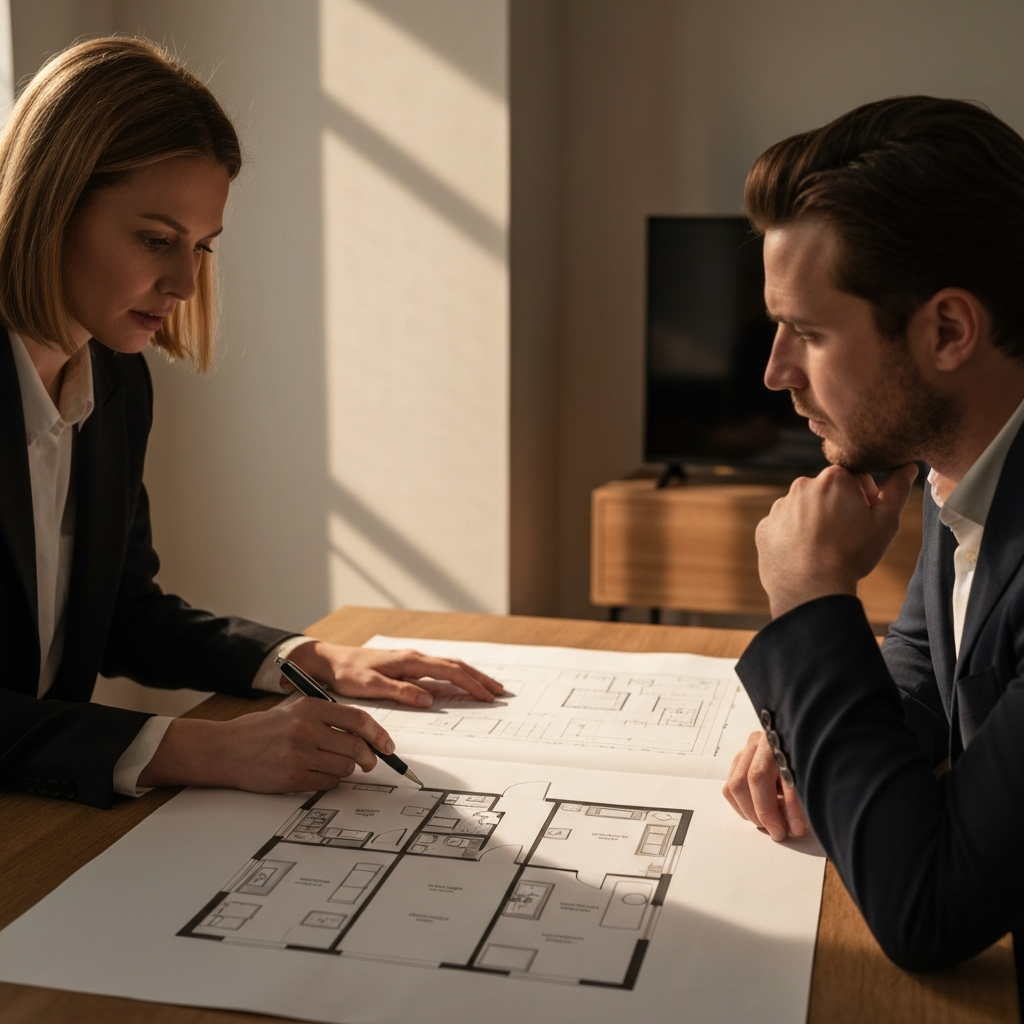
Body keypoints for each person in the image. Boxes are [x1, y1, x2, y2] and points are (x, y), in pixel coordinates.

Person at [0, 37, 504, 811]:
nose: (183, 283)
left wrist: (306, 659)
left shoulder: (115, 379)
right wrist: (199, 746)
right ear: (52, 201)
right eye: (157, 240)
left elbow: (123, 615)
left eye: (201, 247)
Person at [721, 95, 1024, 987]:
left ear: (946, 331)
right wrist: (811, 736)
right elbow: (931, 675)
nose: (775, 371)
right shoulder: (957, 459)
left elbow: (928, 911)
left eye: (808, 333)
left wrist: (811, 601)